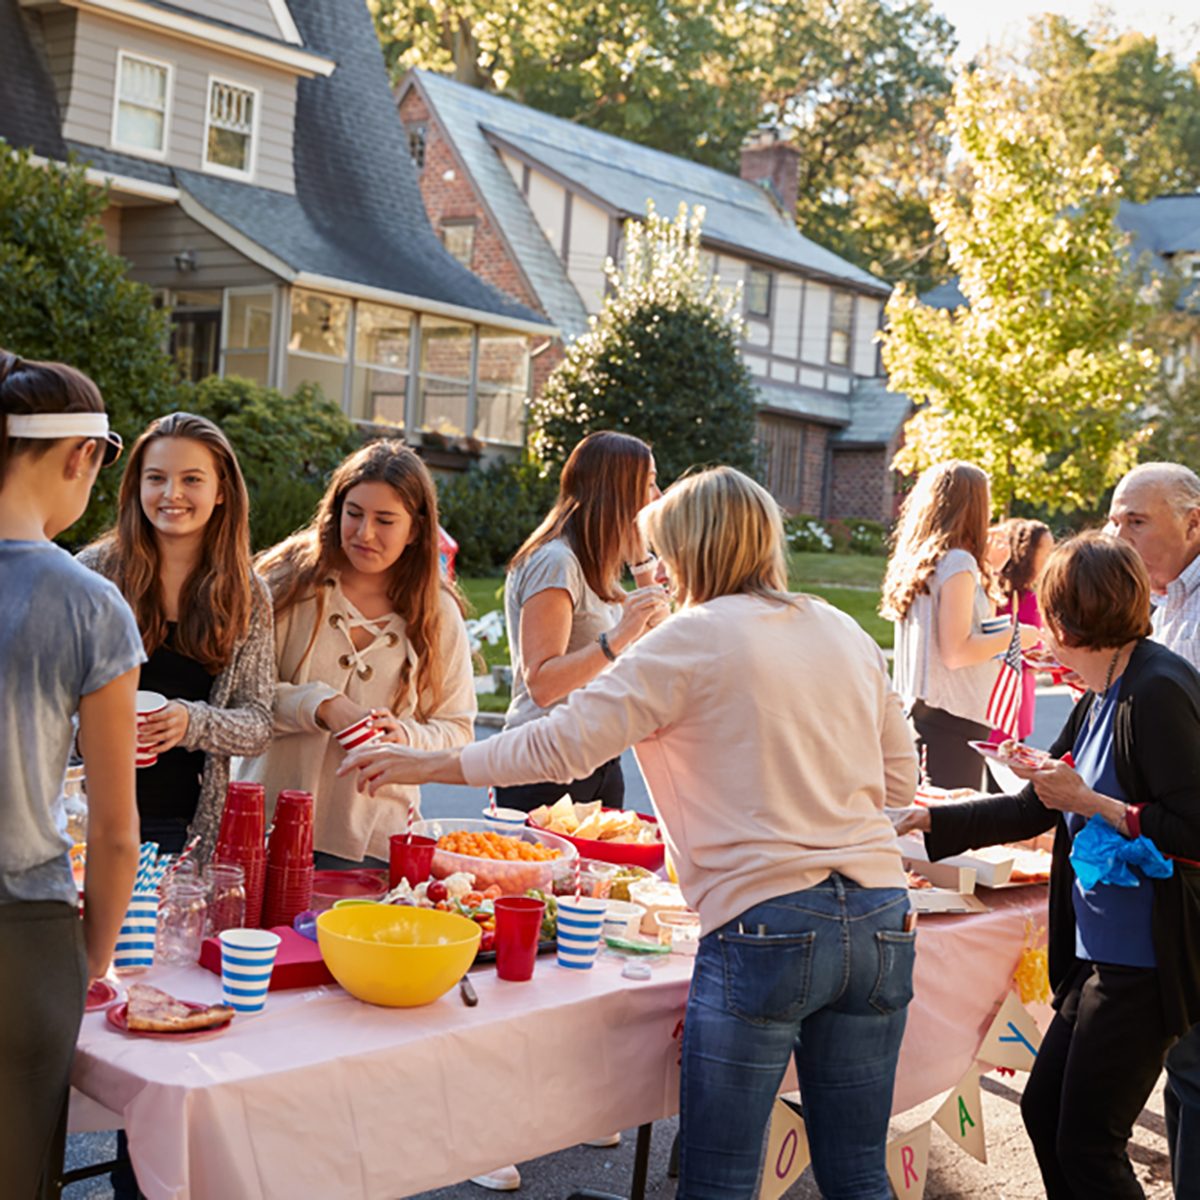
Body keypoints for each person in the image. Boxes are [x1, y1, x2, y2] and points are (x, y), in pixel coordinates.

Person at [341, 466, 920, 1200]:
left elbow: (555, 746)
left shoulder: (688, 638)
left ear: (686, 552)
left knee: (719, 1179)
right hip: (879, 913)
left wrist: (428, 763)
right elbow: (898, 785)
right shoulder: (839, 627)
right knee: (858, 1171)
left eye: (659, 553)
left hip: (766, 921)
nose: (653, 569)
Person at [899, 532, 1200, 1198]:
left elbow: (1192, 827)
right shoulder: (1102, 688)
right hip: (1097, 956)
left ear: (1063, 620)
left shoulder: (1157, 690)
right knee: (1047, 1114)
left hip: (1145, 964)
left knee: (1089, 1143)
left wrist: (1090, 802)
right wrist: (929, 818)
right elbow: (1040, 803)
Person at [0, 351, 143, 1196]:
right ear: (82, 455)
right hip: (22, 933)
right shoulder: (88, 603)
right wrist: (91, 960)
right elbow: (118, 833)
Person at [240, 440, 475, 869]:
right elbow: (239, 693)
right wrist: (322, 704)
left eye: (385, 520)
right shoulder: (285, 583)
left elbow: (457, 728)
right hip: (265, 825)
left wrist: (406, 738)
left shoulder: (438, 613)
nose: (365, 533)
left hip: (374, 843)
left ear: (417, 530)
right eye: (354, 514)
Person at [79, 413, 274, 860]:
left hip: (184, 829)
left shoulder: (247, 595)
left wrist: (192, 722)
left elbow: (260, 723)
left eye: (191, 479)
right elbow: (44, 706)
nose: (172, 494)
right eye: (156, 478)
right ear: (136, 488)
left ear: (221, 490)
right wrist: (93, 733)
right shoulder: (90, 576)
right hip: (87, 816)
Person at [1107, 462, 1200, 1200]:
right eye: (1114, 519)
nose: (1118, 533)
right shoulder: (1165, 601)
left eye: (1136, 520)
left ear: (1192, 524)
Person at [495, 430, 669, 813]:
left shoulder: (599, 567)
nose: (659, 496)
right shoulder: (556, 562)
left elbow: (663, 641)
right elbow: (541, 683)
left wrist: (641, 562)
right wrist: (619, 635)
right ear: (617, 491)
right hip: (542, 766)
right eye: (650, 483)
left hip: (599, 761)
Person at [881, 462, 1039, 789]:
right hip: (951, 718)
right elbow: (957, 651)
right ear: (973, 506)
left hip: (927, 714)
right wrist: (1017, 636)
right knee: (945, 830)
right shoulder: (957, 562)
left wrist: (991, 571)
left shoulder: (926, 560)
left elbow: (971, 626)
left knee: (927, 824)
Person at [990, 518, 1054, 744]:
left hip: (1019, 702)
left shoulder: (1028, 596)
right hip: (1002, 700)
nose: (1049, 560)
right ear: (1026, 554)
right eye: (1044, 553)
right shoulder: (1003, 597)